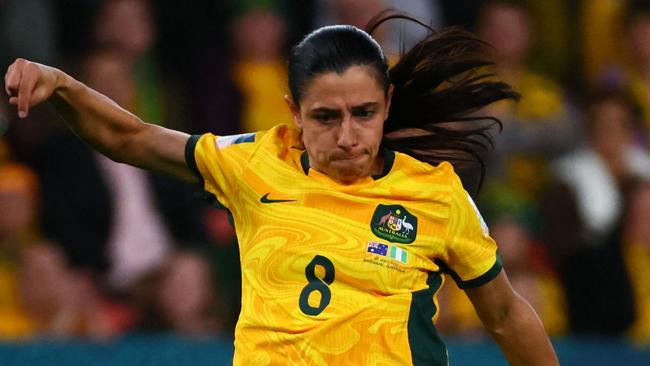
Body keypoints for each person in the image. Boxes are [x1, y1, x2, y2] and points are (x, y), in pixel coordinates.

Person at [3, 12, 557, 365]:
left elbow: (506, 315)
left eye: (364, 113)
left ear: (388, 104)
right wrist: (61, 85)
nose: (347, 136)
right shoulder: (253, 162)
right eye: (325, 117)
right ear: (293, 113)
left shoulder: (437, 195)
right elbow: (132, 138)